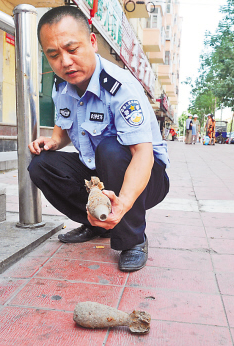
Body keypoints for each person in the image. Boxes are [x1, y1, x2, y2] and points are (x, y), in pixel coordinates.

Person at [28, 6, 170, 272]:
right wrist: (52, 143)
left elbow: (143, 154)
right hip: (98, 173)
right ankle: (97, 221)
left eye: (72, 49)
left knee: (110, 149)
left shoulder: (120, 87)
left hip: (148, 178)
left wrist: (123, 203)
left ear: (92, 42)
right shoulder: (61, 88)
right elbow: (63, 129)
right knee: (40, 164)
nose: (65, 62)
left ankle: (132, 240)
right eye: (54, 55)